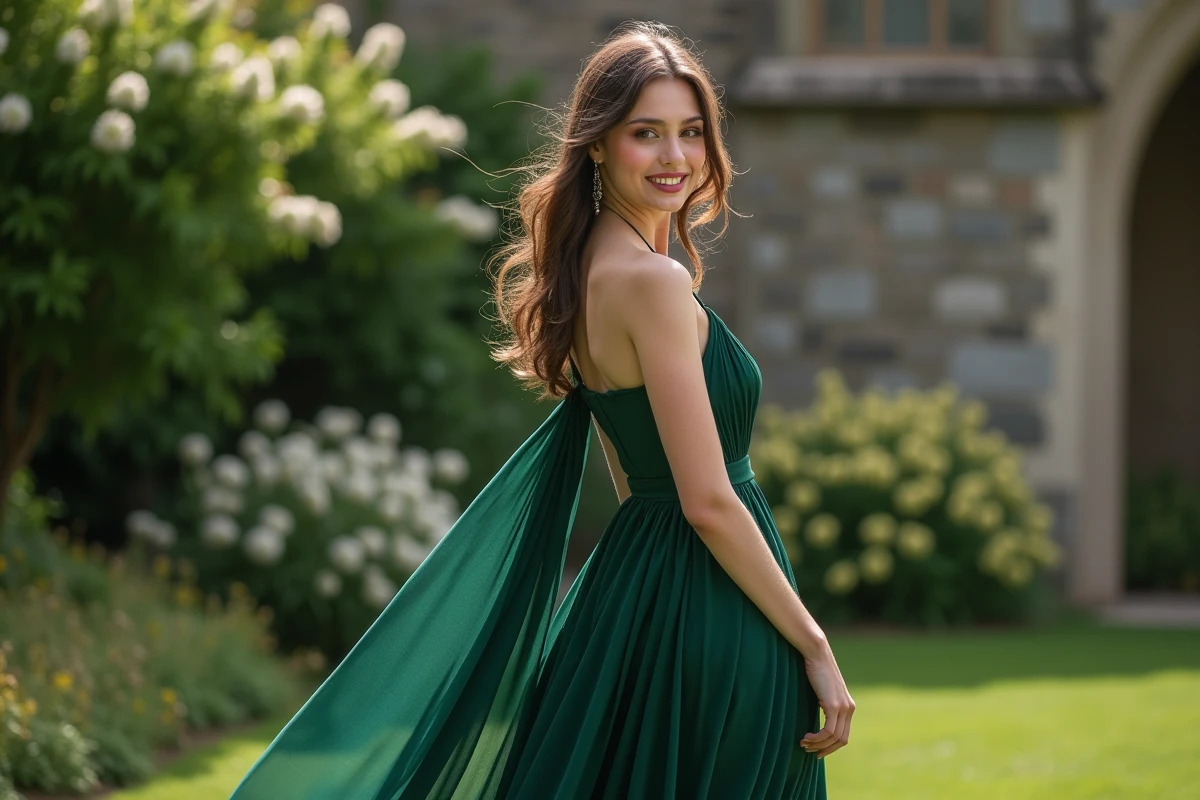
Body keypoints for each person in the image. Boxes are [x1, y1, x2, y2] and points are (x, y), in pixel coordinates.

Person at [229, 20, 853, 800]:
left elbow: (634, 476)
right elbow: (705, 500)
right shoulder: (653, 284)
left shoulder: (589, 270)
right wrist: (813, 642)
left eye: (691, 132)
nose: (676, 156)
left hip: (638, 597)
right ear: (598, 146)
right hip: (714, 614)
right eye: (646, 133)